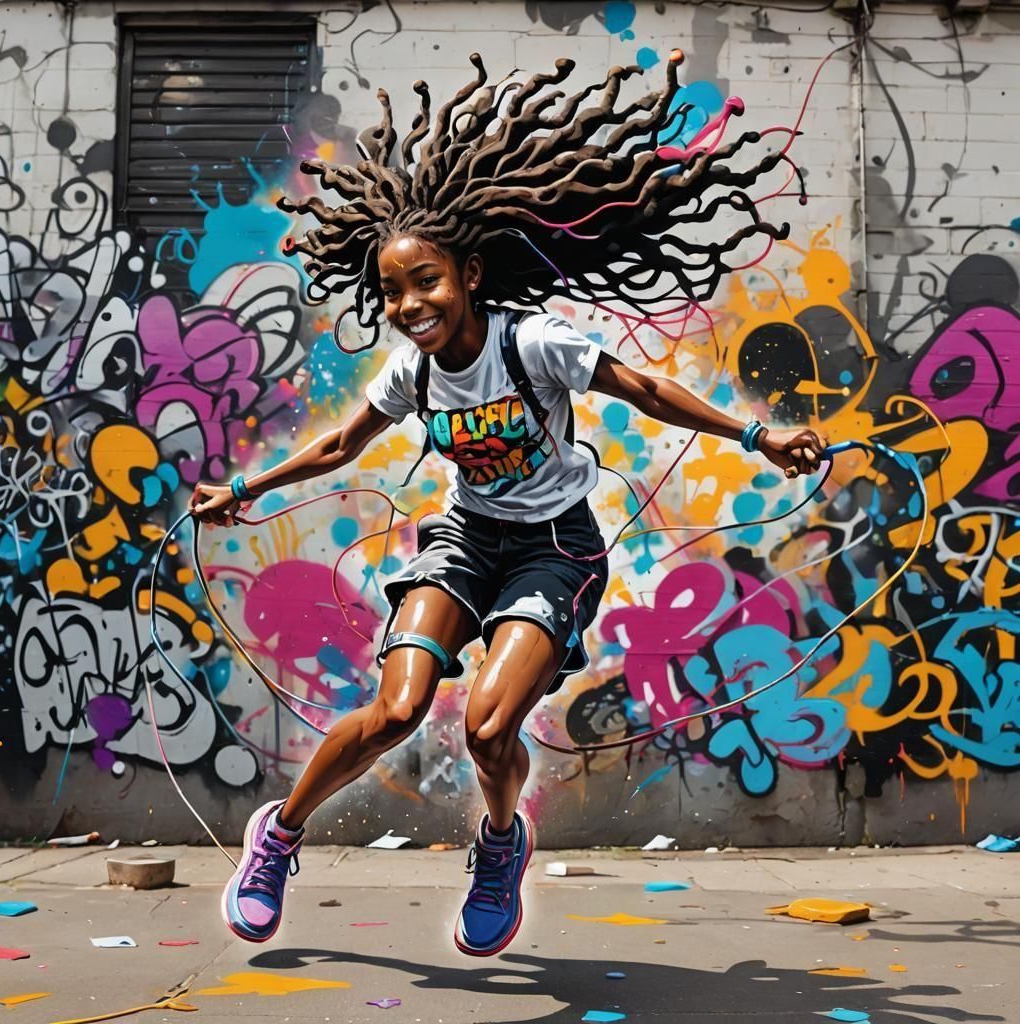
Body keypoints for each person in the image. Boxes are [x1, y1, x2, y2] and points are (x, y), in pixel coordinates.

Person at [189, 51, 825, 955]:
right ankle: (278, 836)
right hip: (465, 540)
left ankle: (498, 845)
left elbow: (645, 389)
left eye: (427, 281)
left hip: (554, 550)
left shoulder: (534, 343)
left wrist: (759, 436)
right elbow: (340, 445)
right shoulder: (411, 371)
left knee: (490, 729)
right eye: (392, 291)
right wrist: (241, 489)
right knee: (398, 710)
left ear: (471, 274)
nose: (410, 304)